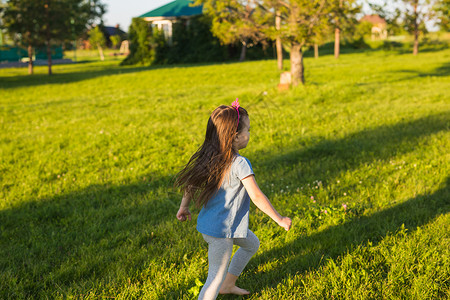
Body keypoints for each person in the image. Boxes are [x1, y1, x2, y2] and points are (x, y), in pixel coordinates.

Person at [175, 99, 292, 300]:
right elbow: (256, 195)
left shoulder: (210, 156)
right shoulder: (240, 164)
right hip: (222, 232)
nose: (249, 134)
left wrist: (183, 207)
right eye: (248, 129)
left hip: (217, 225)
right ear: (236, 137)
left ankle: (228, 284)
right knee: (214, 277)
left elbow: (191, 184)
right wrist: (279, 219)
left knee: (251, 244)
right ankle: (220, 285)